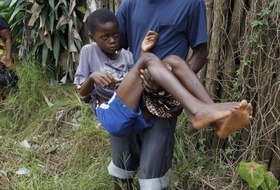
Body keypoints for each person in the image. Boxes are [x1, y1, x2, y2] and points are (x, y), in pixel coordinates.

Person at [112, 0, 252, 189]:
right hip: (131, 97)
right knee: (122, 166)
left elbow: (200, 53)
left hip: (164, 99)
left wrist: (166, 81)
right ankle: (207, 112)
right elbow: (115, 49)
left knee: (152, 177)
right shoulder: (130, 4)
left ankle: (206, 112)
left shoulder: (190, 1)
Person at [75, 9, 250, 138]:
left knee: (173, 60)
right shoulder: (88, 51)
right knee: (149, 60)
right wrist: (92, 78)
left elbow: (136, 81)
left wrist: (143, 52)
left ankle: (218, 123)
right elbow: (82, 94)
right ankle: (197, 111)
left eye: (115, 34)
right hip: (111, 114)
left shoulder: (127, 55)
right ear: (92, 37)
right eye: (105, 37)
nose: (112, 40)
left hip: (136, 115)